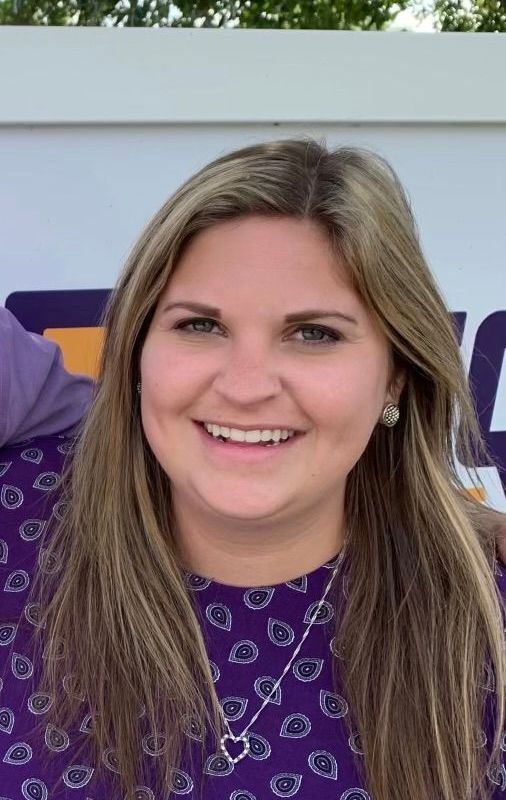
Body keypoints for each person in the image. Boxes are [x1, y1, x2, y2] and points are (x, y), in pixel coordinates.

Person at [1, 137, 506, 800]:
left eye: (315, 334)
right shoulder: (20, 527)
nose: (245, 387)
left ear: (395, 380)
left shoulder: (483, 621)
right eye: (200, 325)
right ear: (135, 351)